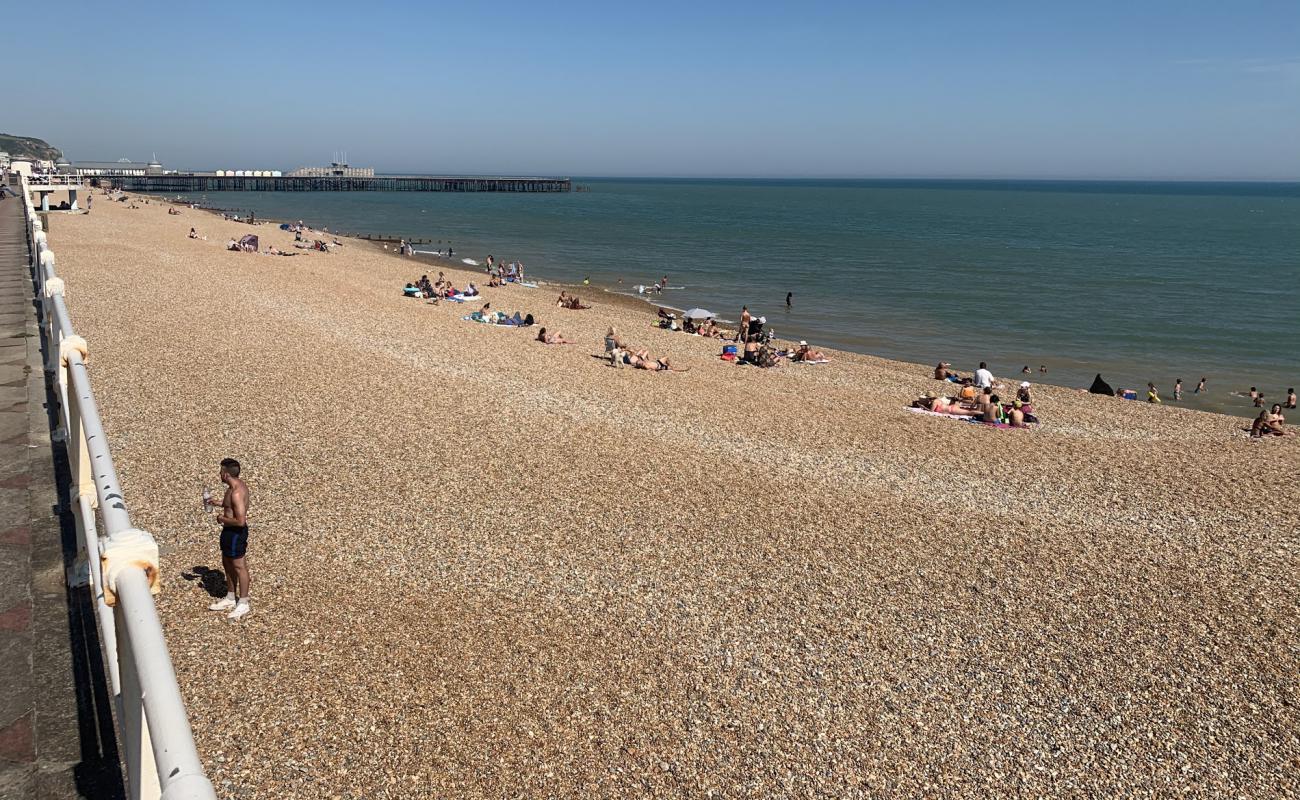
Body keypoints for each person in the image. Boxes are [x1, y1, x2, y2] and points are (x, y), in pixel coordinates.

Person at [209, 458, 252, 620]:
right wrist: (217, 503)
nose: (219, 474)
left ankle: (243, 602)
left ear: (225, 474)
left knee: (239, 566)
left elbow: (240, 521)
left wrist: (222, 519)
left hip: (235, 532)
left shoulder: (236, 492)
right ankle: (230, 596)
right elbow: (230, 506)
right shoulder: (233, 486)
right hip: (228, 532)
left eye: (220, 471)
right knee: (227, 562)